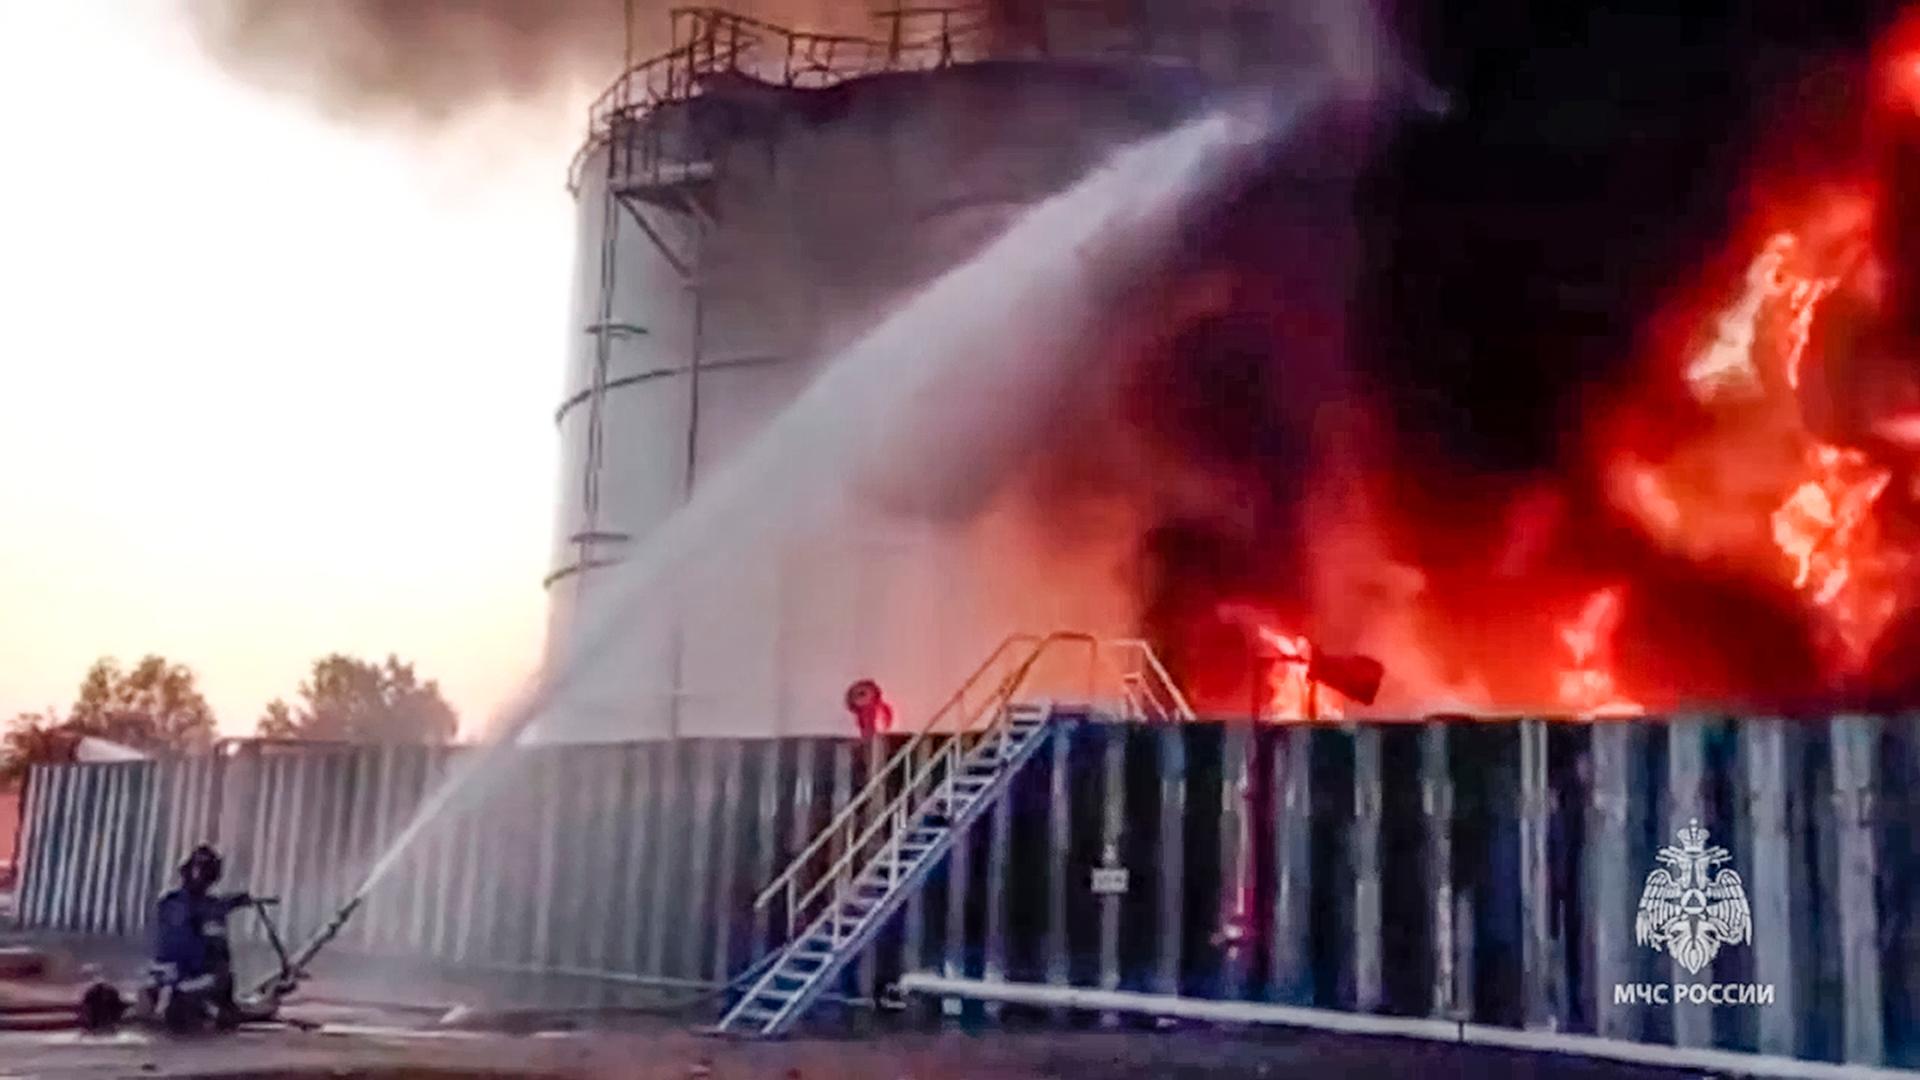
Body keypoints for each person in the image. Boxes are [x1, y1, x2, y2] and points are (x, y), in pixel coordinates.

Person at [151, 844, 253, 1028]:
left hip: (166, 976)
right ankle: (216, 1011)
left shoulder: (169, 901)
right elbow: (217, 956)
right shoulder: (208, 909)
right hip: (188, 978)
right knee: (223, 980)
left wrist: (235, 901)